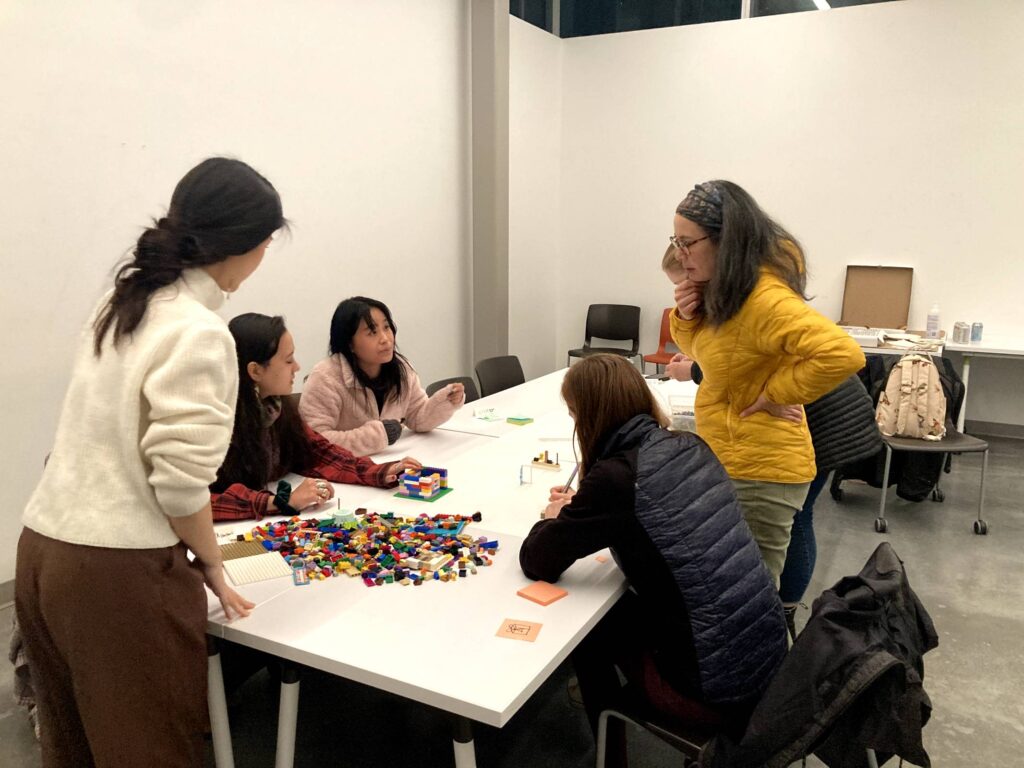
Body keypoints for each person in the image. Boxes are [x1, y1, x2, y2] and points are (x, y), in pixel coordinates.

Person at [16, 158, 281, 767]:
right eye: (267, 243)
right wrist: (212, 563)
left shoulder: (123, 301)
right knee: (150, 746)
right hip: (117, 569)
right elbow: (180, 484)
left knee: (75, 745)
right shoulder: (202, 332)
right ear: (243, 244)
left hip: (42, 547)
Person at [519, 355, 787, 767]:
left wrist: (559, 517)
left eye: (574, 413)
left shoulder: (616, 478)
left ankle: (611, 756)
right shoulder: (688, 445)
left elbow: (538, 560)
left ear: (589, 415)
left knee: (587, 629)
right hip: (770, 664)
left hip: (713, 692)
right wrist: (585, 509)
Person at [669, 180, 865, 584]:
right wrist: (687, 319)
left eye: (688, 243)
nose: (679, 254)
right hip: (738, 457)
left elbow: (843, 353)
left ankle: (786, 627)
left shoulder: (765, 298)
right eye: (675, 241)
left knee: (753, 597)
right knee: (738, 592)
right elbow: (713, 356)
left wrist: (775, 393)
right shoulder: (731, 290)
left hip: (762, 470)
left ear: (726, 241)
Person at [211, 313, 422, 521]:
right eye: (287, 360)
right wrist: (281, 501)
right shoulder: (214, 423)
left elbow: (318, 451)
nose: (297, 367)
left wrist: (380, 472)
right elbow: (195, 501)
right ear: (255, 371)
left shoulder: (275, 408)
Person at [300, 296, 464, 455]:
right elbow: (315, 442)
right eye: (372, 332)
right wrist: (377, 436)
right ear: (349, 343)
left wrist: (445, 402)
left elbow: (417, 417)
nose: (385, 339)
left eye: (386, 327)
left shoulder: (401, 370)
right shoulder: (326, 378)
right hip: (340, 474)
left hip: (389, 463)